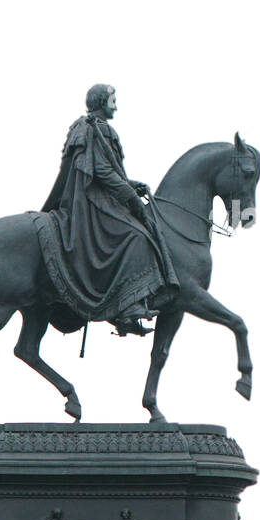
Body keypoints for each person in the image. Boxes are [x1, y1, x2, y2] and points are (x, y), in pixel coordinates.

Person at [40, 84, 179, 336]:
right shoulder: (93, 128)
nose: (116, 105)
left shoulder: (94, 127)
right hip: (90, 200)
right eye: (113, 100)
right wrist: (130, 197)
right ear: (102, 101)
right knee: (136, 237)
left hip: (98, 195)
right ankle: (128, 306)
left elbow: (111, 172)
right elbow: (102, 172)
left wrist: (133, 185)